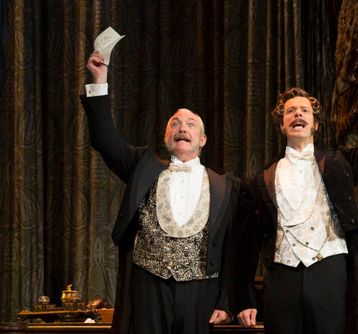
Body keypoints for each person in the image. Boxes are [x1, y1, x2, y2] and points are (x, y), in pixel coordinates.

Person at [236, 57, 358, 334]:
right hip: (282, 278)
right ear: (282, 125)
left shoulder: (340, 163)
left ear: (315, 124)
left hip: (330, 272)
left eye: (304, 110)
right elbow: (245, 245)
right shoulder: (260, 180)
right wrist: (243, 298)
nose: (298, 115)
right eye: (290, 111)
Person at [80, 51, 240, 334]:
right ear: (167, 138)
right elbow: (104, 139)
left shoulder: (226, 185)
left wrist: (226, 302)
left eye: (190, 124)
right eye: (175, 123)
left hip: (200, 290)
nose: (182, 127)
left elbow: (231, 248)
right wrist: (99, 80)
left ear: (202, 140)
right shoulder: (143, 165)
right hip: (148, 287)